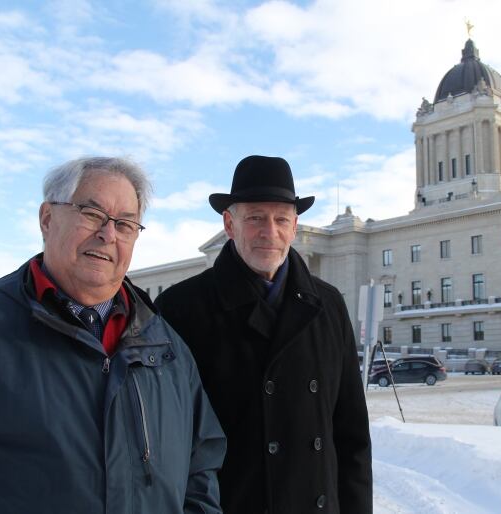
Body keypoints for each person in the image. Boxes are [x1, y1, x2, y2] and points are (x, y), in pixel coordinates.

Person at [0, 157, 226, 514]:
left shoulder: (168, 349)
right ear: (47, 218)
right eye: (91, 214)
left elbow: (201, 467)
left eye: (125, 224)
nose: (108, 234)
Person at [155, 155, 372, 514]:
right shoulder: (181, 308)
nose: (269, 232)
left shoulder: (329, 305)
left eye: (280, 219)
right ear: (229, 223)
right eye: (255, 218)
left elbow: (351, 436)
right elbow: (166, 442)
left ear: (294, 226)